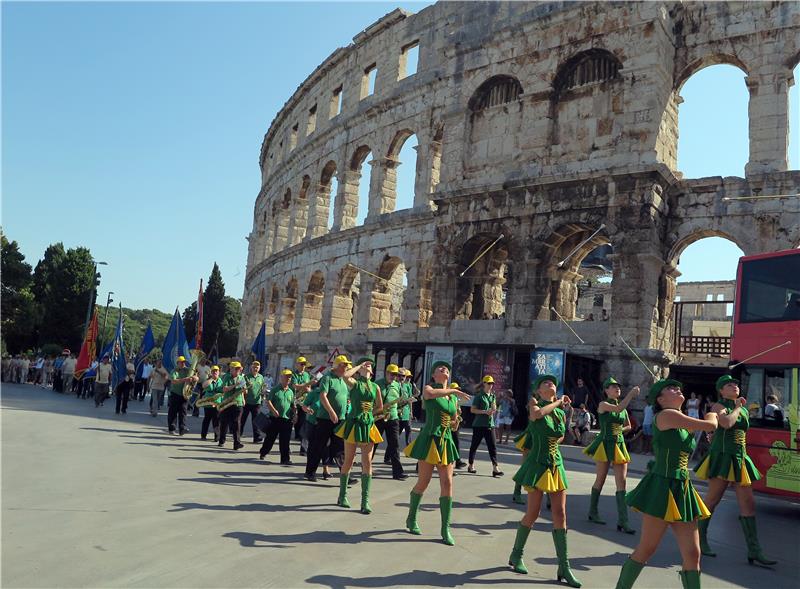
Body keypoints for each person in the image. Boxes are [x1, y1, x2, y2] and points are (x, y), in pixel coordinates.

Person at [614, 379, 717, 589]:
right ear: (660, 400)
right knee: (647, 548)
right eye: (670, 388)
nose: (678, 389)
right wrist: (714, 412)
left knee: (692, 553)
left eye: (678, 387)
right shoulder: (666, 415)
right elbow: (710, 424)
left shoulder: (680, 421)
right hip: (662, 487)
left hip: (682, 487)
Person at [506, 374, 580, 587]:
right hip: (537, 465)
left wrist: (554, 439)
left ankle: (564, 566)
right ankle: (516, 554)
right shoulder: (534, 404)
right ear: (538, 391)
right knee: (533, 513)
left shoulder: (558, 412)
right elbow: (537, 415)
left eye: (553, 383)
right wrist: (558, 402)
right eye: (545, 383)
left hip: (556, 464)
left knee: (560, 513)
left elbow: (561, 435)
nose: (550, 384)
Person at [694, 375, 775, 566]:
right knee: (712, 501)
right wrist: (738, 407)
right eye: (729, 385)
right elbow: (726, 423)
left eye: (736, 384)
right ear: (721, 390)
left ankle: (754, 550)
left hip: (740, 457)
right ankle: (699, 540)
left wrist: (740, 408)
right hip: (723, 457)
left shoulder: (743, 409)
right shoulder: (718, 406)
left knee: (749, 503)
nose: (735, 386)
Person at [403, 360, 472, 546]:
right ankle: (411, 518)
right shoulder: (429, 388)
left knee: (448, 482)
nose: (444, 369)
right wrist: (453, 391)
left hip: (445, 440)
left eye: (447, 369)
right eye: (440, 368)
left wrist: (455, 421)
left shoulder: (451, 398)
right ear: (434, 375)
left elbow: (453, 420)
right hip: (430, 438)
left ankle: (445, 528)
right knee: (423, 482)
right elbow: (429, 394)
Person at [584, 377, 640, 534]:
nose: (617, 388)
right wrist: (630, 395)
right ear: (606, 390)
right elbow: (617, 410)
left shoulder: (621, 407)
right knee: (600, 479)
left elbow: (629, 425)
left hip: (619, 444)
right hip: (605, 443)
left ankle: (623, 520)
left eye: (618, 387)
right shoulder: (604, 404)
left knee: (621, 483)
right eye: (612, 386)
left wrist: (619, 431)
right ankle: (592, 512)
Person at [334, 357, 384, 513]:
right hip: (353, 424)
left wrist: (369, 414)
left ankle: (365, 501)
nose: (367, 366)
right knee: (348, 460)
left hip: (367, 424)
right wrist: (358, 366)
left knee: (367, 462)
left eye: (369, 365)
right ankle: (342, 496)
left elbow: (380, 407)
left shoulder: (375, 386)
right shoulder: (355, 383)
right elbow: (345, 376)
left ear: (372, 371)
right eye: (365, 364)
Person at [305, 355, 357, 482]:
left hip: (340, 419)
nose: (346, 367)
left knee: (340, 448)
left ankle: (346, 476)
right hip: (325, 419)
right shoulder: (328, 378)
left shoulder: (344, 380)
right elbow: (323, 396)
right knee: (318, 446)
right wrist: (331, 412)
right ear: (338, 366)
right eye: (344, 365)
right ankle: (310, 472)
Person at [374, 363, 408, 480]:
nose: (394, 377)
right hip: (379, 417)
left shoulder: (397, 385)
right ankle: (366, 467)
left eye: (395, 375)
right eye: (392, 374)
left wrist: (402, 406)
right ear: (386, 373)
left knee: (395, 445)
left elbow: (398, 402)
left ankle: (398, 472)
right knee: (373, 443)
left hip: (392, 418)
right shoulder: (377, 384)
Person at [467, 375, 504, 476]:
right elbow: (472, 410)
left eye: (492, 383)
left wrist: (494, 408)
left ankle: (495, 468)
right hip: (479, 425)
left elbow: (494, 407)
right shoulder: (479, 396)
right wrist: (485, 412)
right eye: (488, 383)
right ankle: (470, 465)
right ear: (484, 383)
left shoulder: (492, 396)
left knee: (493, 446)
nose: (490, 385)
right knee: (474, 446)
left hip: (489, 424)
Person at [259, 369, 296, 464]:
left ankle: (285, 459)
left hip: (287, 419)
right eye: (286, 376)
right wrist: (274, 410)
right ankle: (263, 452)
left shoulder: (291, 392)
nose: (288, 378)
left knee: (285, 440)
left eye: (289, 377)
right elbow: (268, 401)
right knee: (270, 438)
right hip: (275, 418)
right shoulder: (275, 389)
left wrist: (295, 414)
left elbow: (293, 405)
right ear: (281, 378)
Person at [217, 361, 246, 450]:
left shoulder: (242, 378)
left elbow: (244, 391)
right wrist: (235, 385)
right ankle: (221, 440)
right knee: (224, 422)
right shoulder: (226, 377)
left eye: (239, 368)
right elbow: (225, 389)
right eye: (236, 368)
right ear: (231, 369)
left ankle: (237, 443)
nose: (238, 370)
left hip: (238, 402)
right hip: (227, 402)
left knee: (237, 422)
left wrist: (244, 397)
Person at [167, 356, 198, 435]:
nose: (183, 363)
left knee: (183, 412)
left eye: (184, 362)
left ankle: (182, 429)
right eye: (181, 362)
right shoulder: (174, 371)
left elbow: (196, 377)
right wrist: (185, 379)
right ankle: (172, 428)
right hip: (175, 394)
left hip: (184, 395)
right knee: (173, 412)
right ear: (177, 363)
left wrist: (194, 378)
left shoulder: (187, 370)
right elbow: (173, 381)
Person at [290, 356, 315, 455]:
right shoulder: (294, 375)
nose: (303, 366)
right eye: (302, 364)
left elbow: (308, 387)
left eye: (304, 364)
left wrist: (308, 388)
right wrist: (307, 384)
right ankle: (296, 437)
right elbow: (295, 386)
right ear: (297, 365)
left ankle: (303, 448)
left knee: (304, 424)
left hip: (304, 402)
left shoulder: (306, 375)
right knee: (292, 423)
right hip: (294, 401)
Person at [240, 361, 265, 443]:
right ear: (251, 367)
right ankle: (238, 435)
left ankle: (256, 437)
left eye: (257, 367)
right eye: (254, 367)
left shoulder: (261, 377)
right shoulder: (246, 377)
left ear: (259, 368)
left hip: (256, 402)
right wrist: (244, 390)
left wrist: (263, 394)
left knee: (256, 421)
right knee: (242, 419)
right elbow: (241, 388)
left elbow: (262, 387)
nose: (255, 369)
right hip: (246, 402)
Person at [198, 365, 223, 441]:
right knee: (207, 419)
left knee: (216, 420)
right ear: (211, 372)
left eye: (216, 371)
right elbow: (204, 385)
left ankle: (217, 436)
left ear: (219, 372)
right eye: (213, 371)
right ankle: (203, 435)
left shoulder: (221, 381)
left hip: (217, 403)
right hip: (208, 404)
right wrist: (211, 379)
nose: (215, 372)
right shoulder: (208, 380)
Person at [397, 368, 416, 446]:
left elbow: (410, 400)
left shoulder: (408, 386)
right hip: (398, 413)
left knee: (409, 430)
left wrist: (411, 412)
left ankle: (408, 448)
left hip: (406, 412)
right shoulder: (396, 385)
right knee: (397, 432)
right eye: (407, 377)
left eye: (409, 377)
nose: (408, 379)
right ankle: (393, 446)